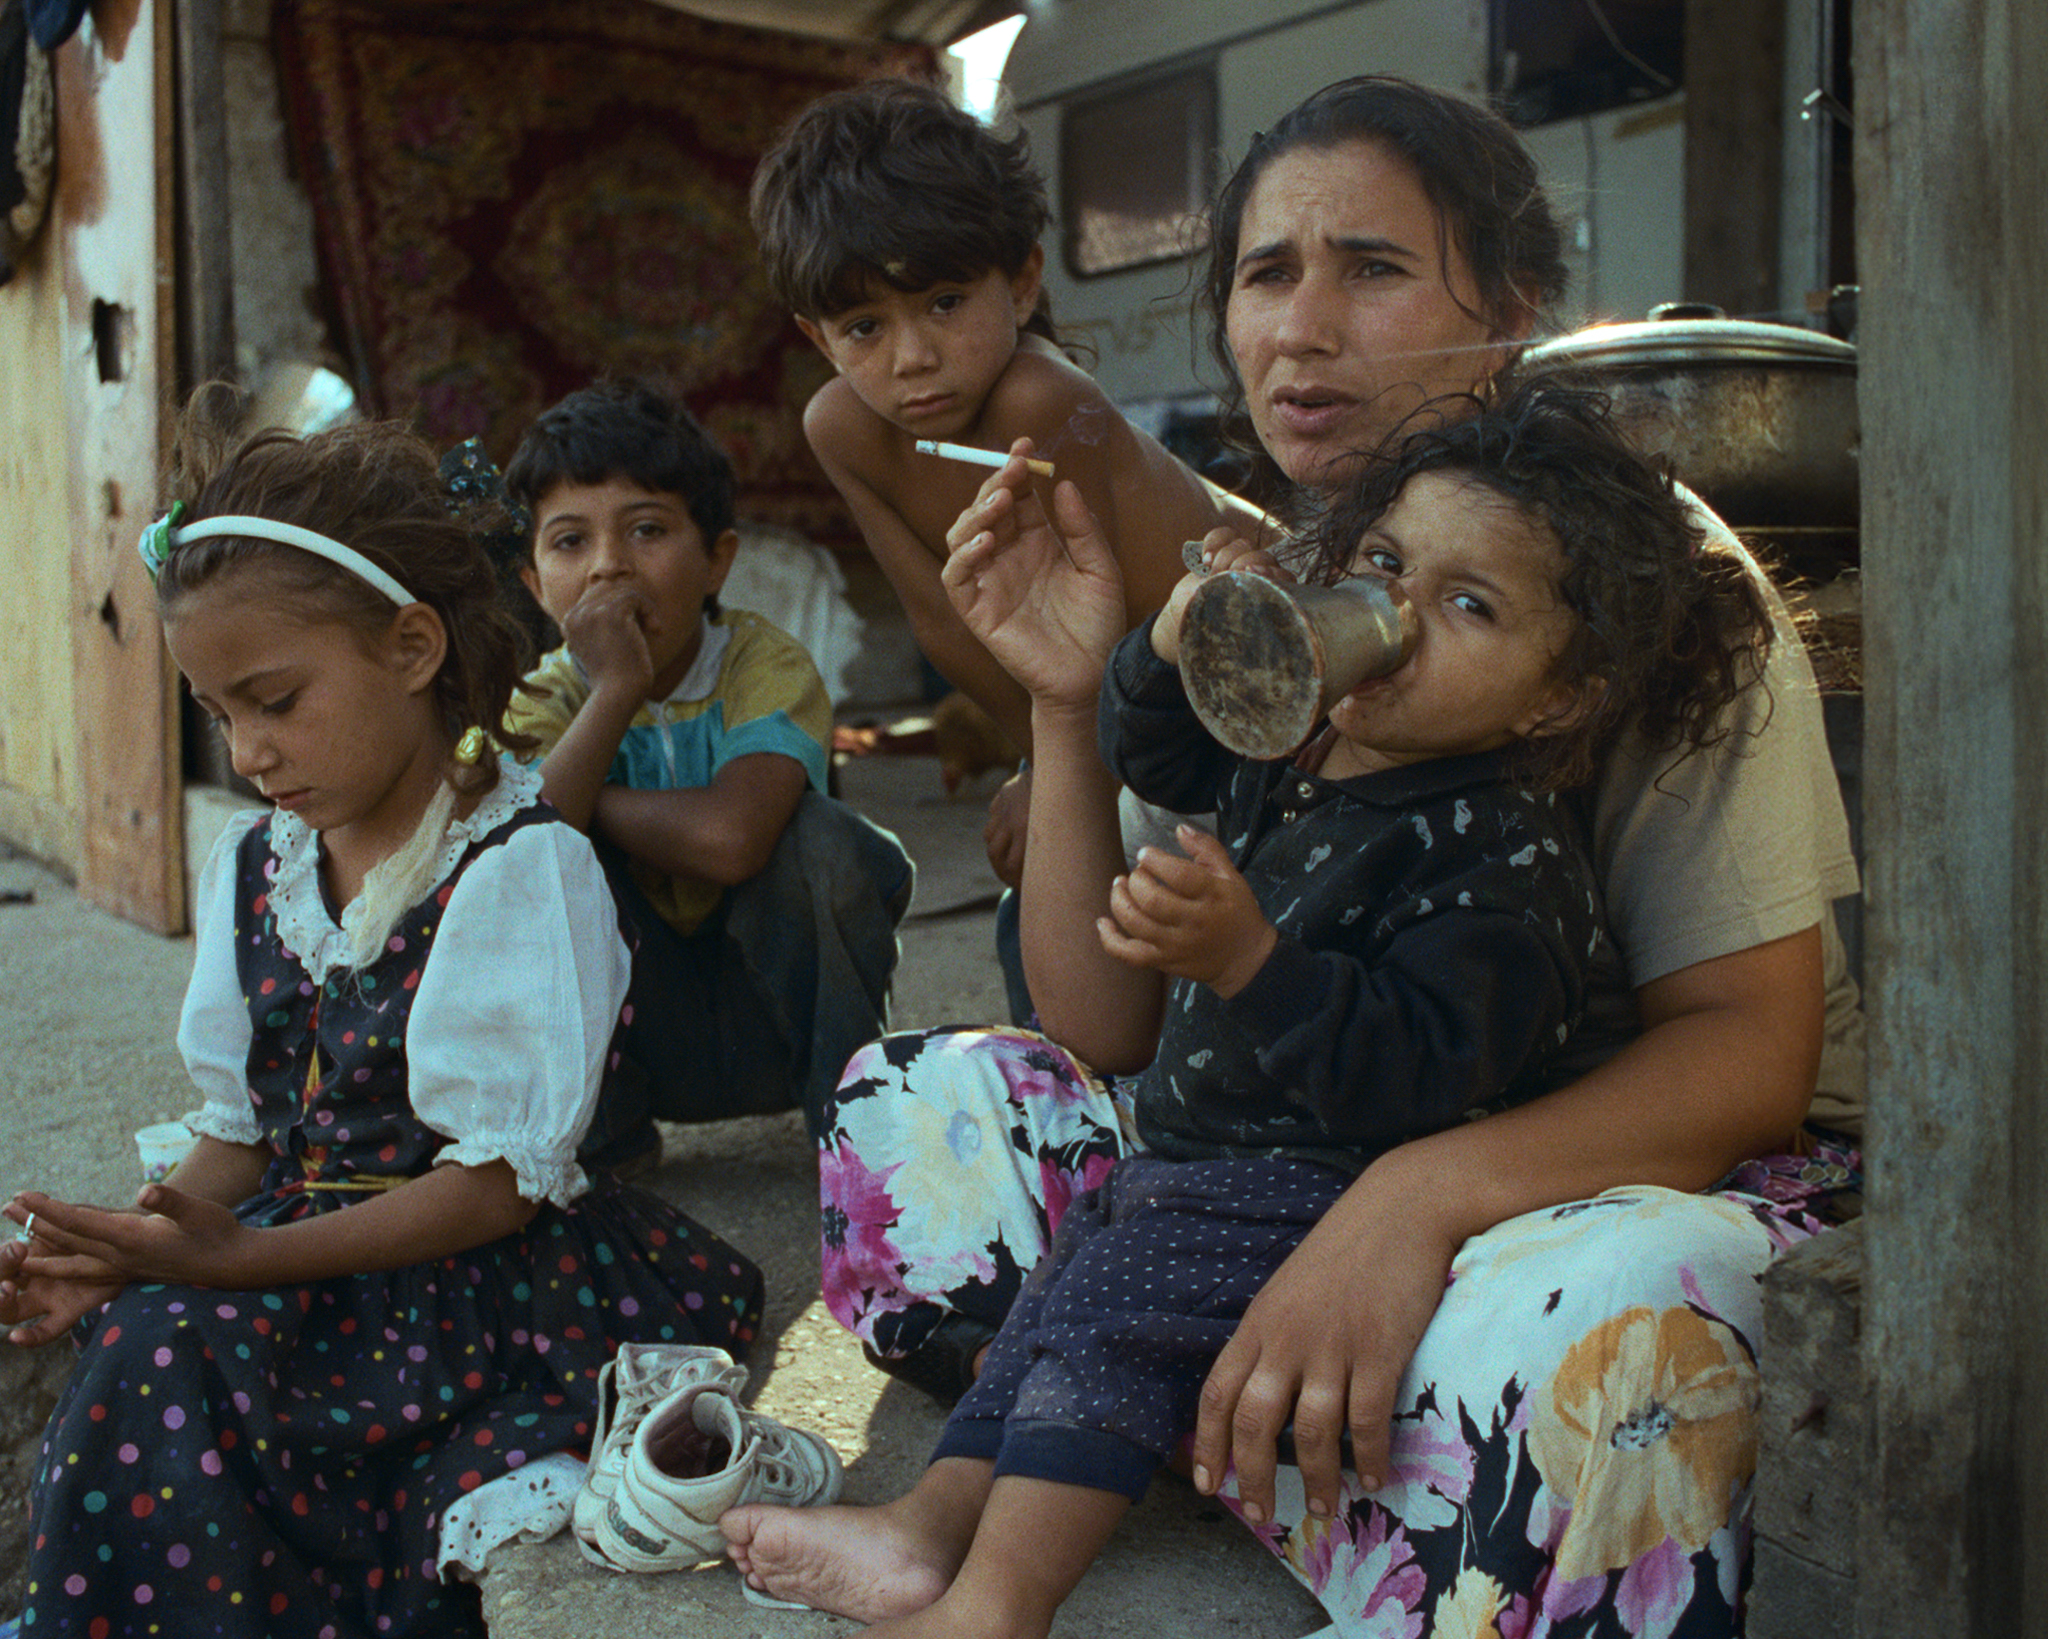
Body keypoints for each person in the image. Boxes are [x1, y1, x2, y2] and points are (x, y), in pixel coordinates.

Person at [800, 75, 1862, 1636]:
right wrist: (1061, 695)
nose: (1302, 327)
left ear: (1506, 307)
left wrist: (1404, 1207)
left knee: (1636, 1315)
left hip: (1557, 1169)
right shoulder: (1279, 590)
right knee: (921, 1104)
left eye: (1371, 269)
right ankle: (1306, 1438)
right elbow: (1104, 1028)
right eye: (1264, 273)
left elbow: (1751, 1055)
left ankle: (1230, 1418)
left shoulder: (1652, 581)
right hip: (1276, 1148)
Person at [0, 411, 765, 1639]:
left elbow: (492, 1191)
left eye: (276, 701)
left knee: (180, 1355)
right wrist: (133, 1242)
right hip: (308, 1249)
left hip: (469, 1277)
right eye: (217, 714)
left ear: (412, 647)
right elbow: (246, 1135)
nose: (248, 752)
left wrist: (236, 1261)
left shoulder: (519, 868)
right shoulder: (258, 863)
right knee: (146, 1335)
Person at [749, 78, 1267, 1014]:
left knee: (1126, 932)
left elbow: (1107, 636)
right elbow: (944, 625)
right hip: (1105, 717)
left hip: (1235, 706)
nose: (912, 358)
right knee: (1040, 921)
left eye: (946, 302)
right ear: (817, 339)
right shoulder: (842, 427)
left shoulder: (1040, 402)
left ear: (1023, 280)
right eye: (865, 326)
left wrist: (1066, 779)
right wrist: (1043, 766)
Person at [501, 380, 912, 1155]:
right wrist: (614, 694)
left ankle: (853, 1130)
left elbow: (733, 839)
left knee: (826, 840)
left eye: (646, 530)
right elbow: (524, 854)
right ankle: (604, 1138)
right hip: (640, 1043)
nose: (607, 569)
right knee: (541, 862)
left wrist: (596, 798)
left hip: (774, 1023)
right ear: (533, 583)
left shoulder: (765, 664)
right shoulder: (537, 699)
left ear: (718, 559)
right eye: (568, 542)